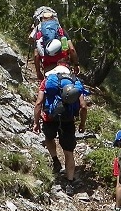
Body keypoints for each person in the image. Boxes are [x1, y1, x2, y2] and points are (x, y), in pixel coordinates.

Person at [31, 57, 88, 185]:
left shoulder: (48, 80)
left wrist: (36, 122)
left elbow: (39, 103)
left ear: (57, 66)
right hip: (68, 119)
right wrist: (82, 124)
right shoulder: (75, 82)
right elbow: (83, 106)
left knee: (49, 138)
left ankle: (55, 160)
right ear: (69, 68)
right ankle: (69, 181)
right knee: (69, 152)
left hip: (50, 118)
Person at [30, 7, 79, 81]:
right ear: (54, 19)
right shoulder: (61, 31)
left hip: (48, 65)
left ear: (42, 19)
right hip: (63, 63)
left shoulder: (39, 34)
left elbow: (36, 55)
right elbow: (71, 49)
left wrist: (38, 71)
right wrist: (76, 64)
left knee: (49, 87)